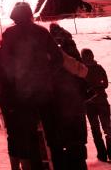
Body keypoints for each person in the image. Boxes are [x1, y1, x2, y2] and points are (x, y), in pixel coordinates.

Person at [0, 2, 63, 170]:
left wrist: (12, 83)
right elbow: (57, 58)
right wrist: (47, 74)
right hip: (44, 91)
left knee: (31, 136)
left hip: (23, 94)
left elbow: (3, 64)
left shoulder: (10, 34)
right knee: (53, 135)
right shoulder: (41, 32)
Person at [49, 23, 88, 169]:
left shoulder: (53, 52)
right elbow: (82, 72)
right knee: (77, 147)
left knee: (65, 147)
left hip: (60, 105)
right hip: (74, 103)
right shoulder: (71, 50)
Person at [81, 48, 110, 162]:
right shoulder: (99, 68)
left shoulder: (82, 71)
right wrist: (99, 86)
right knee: (107, 129)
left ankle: (102, 155)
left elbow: (80, 88)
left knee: (95, 129)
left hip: (90, 104)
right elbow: (106, 84)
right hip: (102, 102)